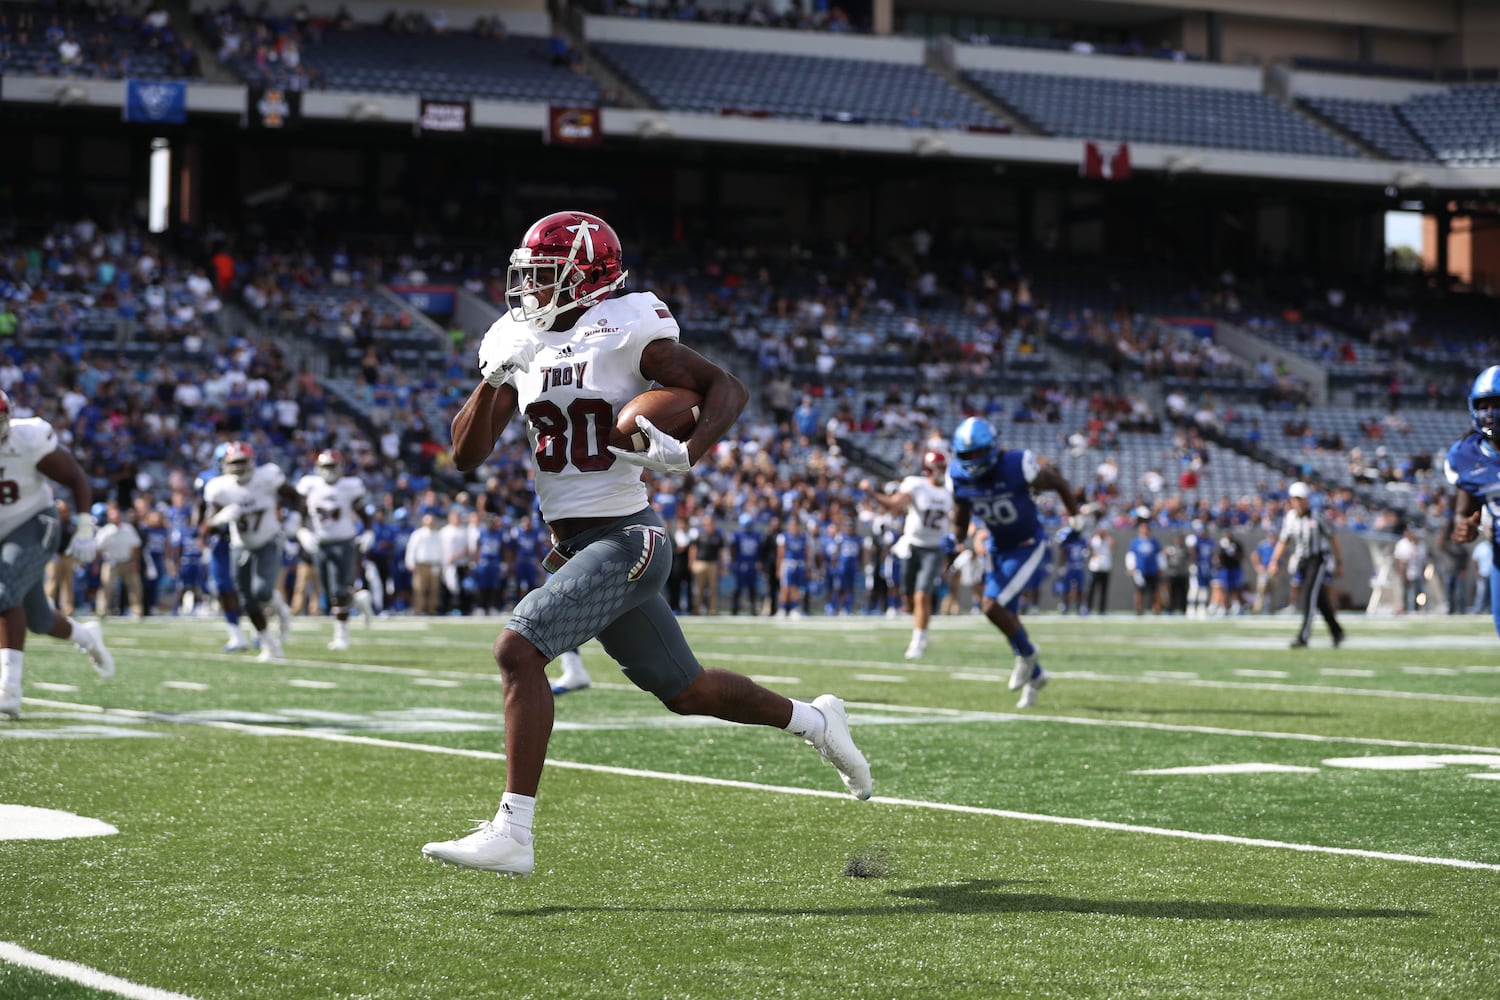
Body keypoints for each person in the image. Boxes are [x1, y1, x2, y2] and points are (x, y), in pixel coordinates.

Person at [422, 210, 871, 876]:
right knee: (685, 689)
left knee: (518, 649)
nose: (529, 291)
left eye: (545, 277)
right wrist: (492, 378)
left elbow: (726, 387)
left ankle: (514, 831)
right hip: (578, 546)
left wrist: (687, 453)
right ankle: (815, 720)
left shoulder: (625, 325)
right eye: (528, 277)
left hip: (629, 536)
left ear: (585, 277)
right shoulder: (516, 338)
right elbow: (465, 457)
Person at [946, 417, 1079, 709]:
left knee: (991, 606)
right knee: (1007, 616)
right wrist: (954, 538)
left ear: (992, 447)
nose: (973, 461)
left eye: (978, 453)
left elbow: (1057, 481)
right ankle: (1036, 677)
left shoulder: (1017, 464)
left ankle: (1028, 655)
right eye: (967, 455)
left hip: (1028, 543)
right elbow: (961, 515)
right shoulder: (958, 475)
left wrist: (1076, 519)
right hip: (998, 547)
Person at [0, 392, 115, 719]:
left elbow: (75, 477)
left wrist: (83, 527)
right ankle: (88, 638)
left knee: (4, 592)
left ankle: (9, 690)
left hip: (34, 520)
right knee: (38, 619)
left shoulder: (28, 438)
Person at [202, 442, 304, 662]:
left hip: (268, 540)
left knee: (262, 592)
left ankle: (282, 612)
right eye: (234, 463)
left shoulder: (267, 477)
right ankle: (269, 644)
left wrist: (295, 519)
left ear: (252, 461)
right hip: (240, 545)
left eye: (242, 462)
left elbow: (296, 498)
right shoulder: (219, 487)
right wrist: (219, 518)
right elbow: (206, 524)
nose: (238, 467)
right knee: (247, 601)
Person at [863, 449, 954, 658]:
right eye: (935, 468)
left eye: (941, 468)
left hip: (934, 549)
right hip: (912, 546)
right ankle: (920, 626)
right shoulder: (917, 485)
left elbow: (959, 517)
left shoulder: (951, 491)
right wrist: (871, 493)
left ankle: (919, 640)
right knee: (909, 598)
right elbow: (894, 504)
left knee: (923, 595)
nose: (938, 472)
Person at [295, 449, 372, 650]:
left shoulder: (349, 486)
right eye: (325, 467)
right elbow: (300, 513)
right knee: (330, 593)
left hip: (345, 542)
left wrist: (369, 532)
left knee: (339, 590)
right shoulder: (310, 486)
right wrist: (302, 532)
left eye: (332, 466)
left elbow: (363, 512)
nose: (329, 471)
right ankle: (359, 599)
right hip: (321, 542)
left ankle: (342, 636)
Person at [1444, 365, 1500, 634]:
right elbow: (1464, 512)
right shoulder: (1467, 455)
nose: (1490, 413)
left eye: (1497, 404)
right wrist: (1463, 527)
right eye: (1484, 405)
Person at [1266, 481, 1345, 648]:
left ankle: (1303, 637)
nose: (1298, 503)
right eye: (1295, 499)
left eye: (1301, 499)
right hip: (1302, 561)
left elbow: (1334, 538)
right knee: (1319, 600)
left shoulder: (1317, 517)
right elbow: (1283, 541)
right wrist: (1274, 560)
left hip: (1318, 560)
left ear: (1307, 500)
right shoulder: (1290, 518)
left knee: (1309, 595)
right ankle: (1337, 631)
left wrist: (1339, 562)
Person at [1125, 516, 1162, 616]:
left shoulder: (1154, 542)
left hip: (1153, 569)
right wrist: (1130, 567)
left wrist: (1161, 567)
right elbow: (1131, 554)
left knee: (1155, 590)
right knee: (1139, 591)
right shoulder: (1135, 542)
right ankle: (1139, 609)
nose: (1144, 530)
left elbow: (1159, 555)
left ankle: (1156, 608)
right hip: (1140, 570)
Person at [1085, 522, 1112, 614]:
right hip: (1095, 568)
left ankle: (1102, 610)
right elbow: (1088, 550)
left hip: (1105, 568)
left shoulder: (1107, 540)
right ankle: (1088, 608)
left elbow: (1114, 544)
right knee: (1091, 590)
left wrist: (1106, 535)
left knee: (1104, 590)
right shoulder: (1094, 540)